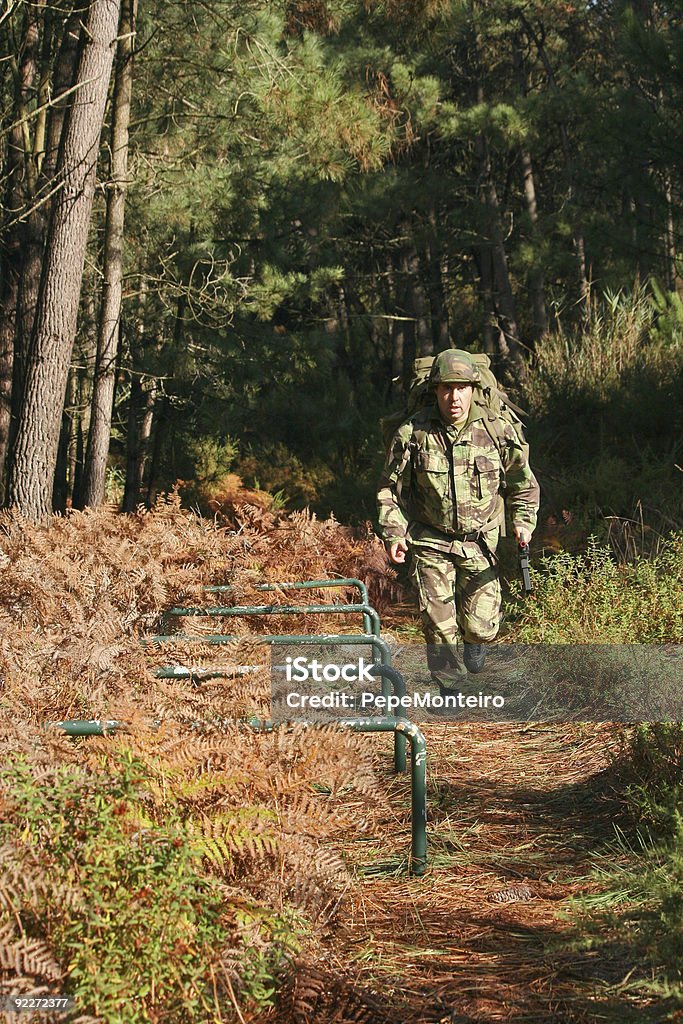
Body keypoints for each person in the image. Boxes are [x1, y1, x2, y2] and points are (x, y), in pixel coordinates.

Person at [376, 349, 540, 690]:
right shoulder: (413, 432)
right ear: (435, 390)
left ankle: (476, 640)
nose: (454, 397)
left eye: (461, 388)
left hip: (481, 543)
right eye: (447, 388)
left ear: (473, 389)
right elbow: (388, 489)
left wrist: (523, 523)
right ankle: (450, 688)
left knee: (481, 627)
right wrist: (394, 533)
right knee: (438, 626)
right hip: (430, 541)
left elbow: (523, 484)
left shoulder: (497, 430)